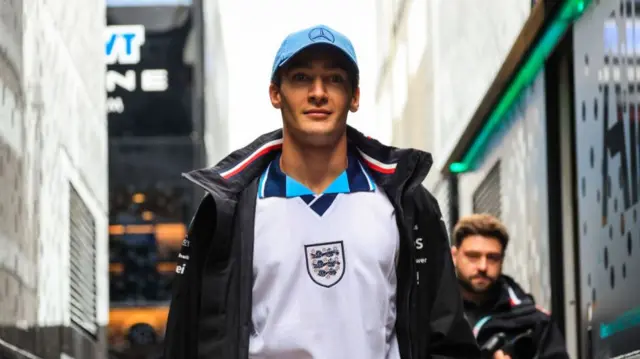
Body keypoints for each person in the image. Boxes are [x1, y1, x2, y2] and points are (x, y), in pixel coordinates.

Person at [163, 24, 480, 359]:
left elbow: (446, 334)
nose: (318, 92)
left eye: (334, 79)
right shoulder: (228, 208)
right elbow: (185, 340)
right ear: (275, 93)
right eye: (301, 78)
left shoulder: (407, 202)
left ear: (354, 97)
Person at [451, 214, 569, 359]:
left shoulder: (534, 321)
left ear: (502, 260)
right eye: (473, 256)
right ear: (454, 256)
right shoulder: (428, 315)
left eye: (492, 258)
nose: (483, 266)